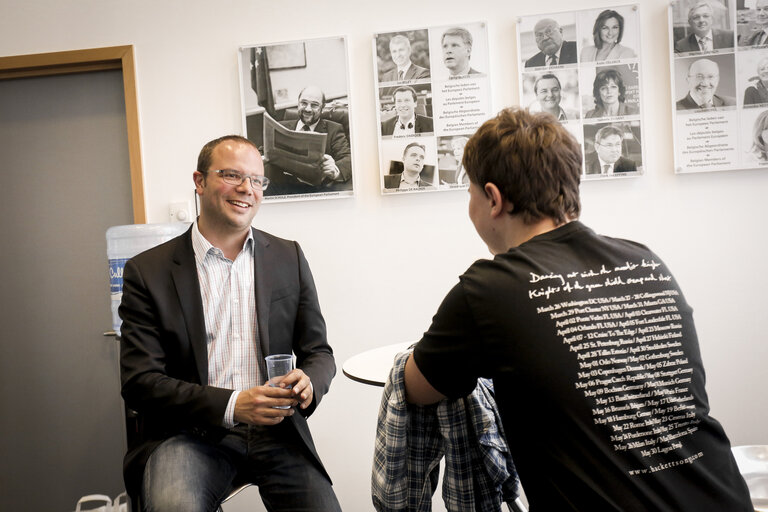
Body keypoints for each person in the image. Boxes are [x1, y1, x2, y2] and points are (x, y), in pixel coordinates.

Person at [402, 107, 754, 511]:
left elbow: (416, 386)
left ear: (494, 198)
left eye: (470, 194)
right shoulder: (646, 262)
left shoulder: (486, 290)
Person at [119, 135, 341, 512]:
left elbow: (318, 352)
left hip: (278, 432)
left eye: (257, 180)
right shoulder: (148, 271)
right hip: (188, 434)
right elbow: (140, 382)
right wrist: (235, 405)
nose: (246, 189)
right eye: (232, 175)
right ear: (200, 181)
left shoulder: (288, 256)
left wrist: (308, 382)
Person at [265, 85, 352, 195]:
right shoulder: (281, 126)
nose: (308, 109)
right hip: (283, 187)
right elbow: (263, 150)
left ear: (322, 107)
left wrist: (335, 170)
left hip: (317, 190)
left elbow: (348, 158)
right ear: (298, 103)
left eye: (314, 105)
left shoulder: (334, 129)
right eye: (304, 103)